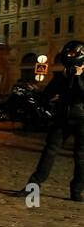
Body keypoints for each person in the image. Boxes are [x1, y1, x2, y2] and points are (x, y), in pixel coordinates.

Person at [24, 40, 84, 202]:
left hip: (82, 120)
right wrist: (42, 94)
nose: (68, 57)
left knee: (81, 157)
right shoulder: (61, 76)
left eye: (72, 54)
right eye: (67, 54)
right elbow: (47, 95)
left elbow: (81, 93)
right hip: (62, 118)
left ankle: (77, 191)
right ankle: (33, 186)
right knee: (49, 152)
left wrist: (77, 77)